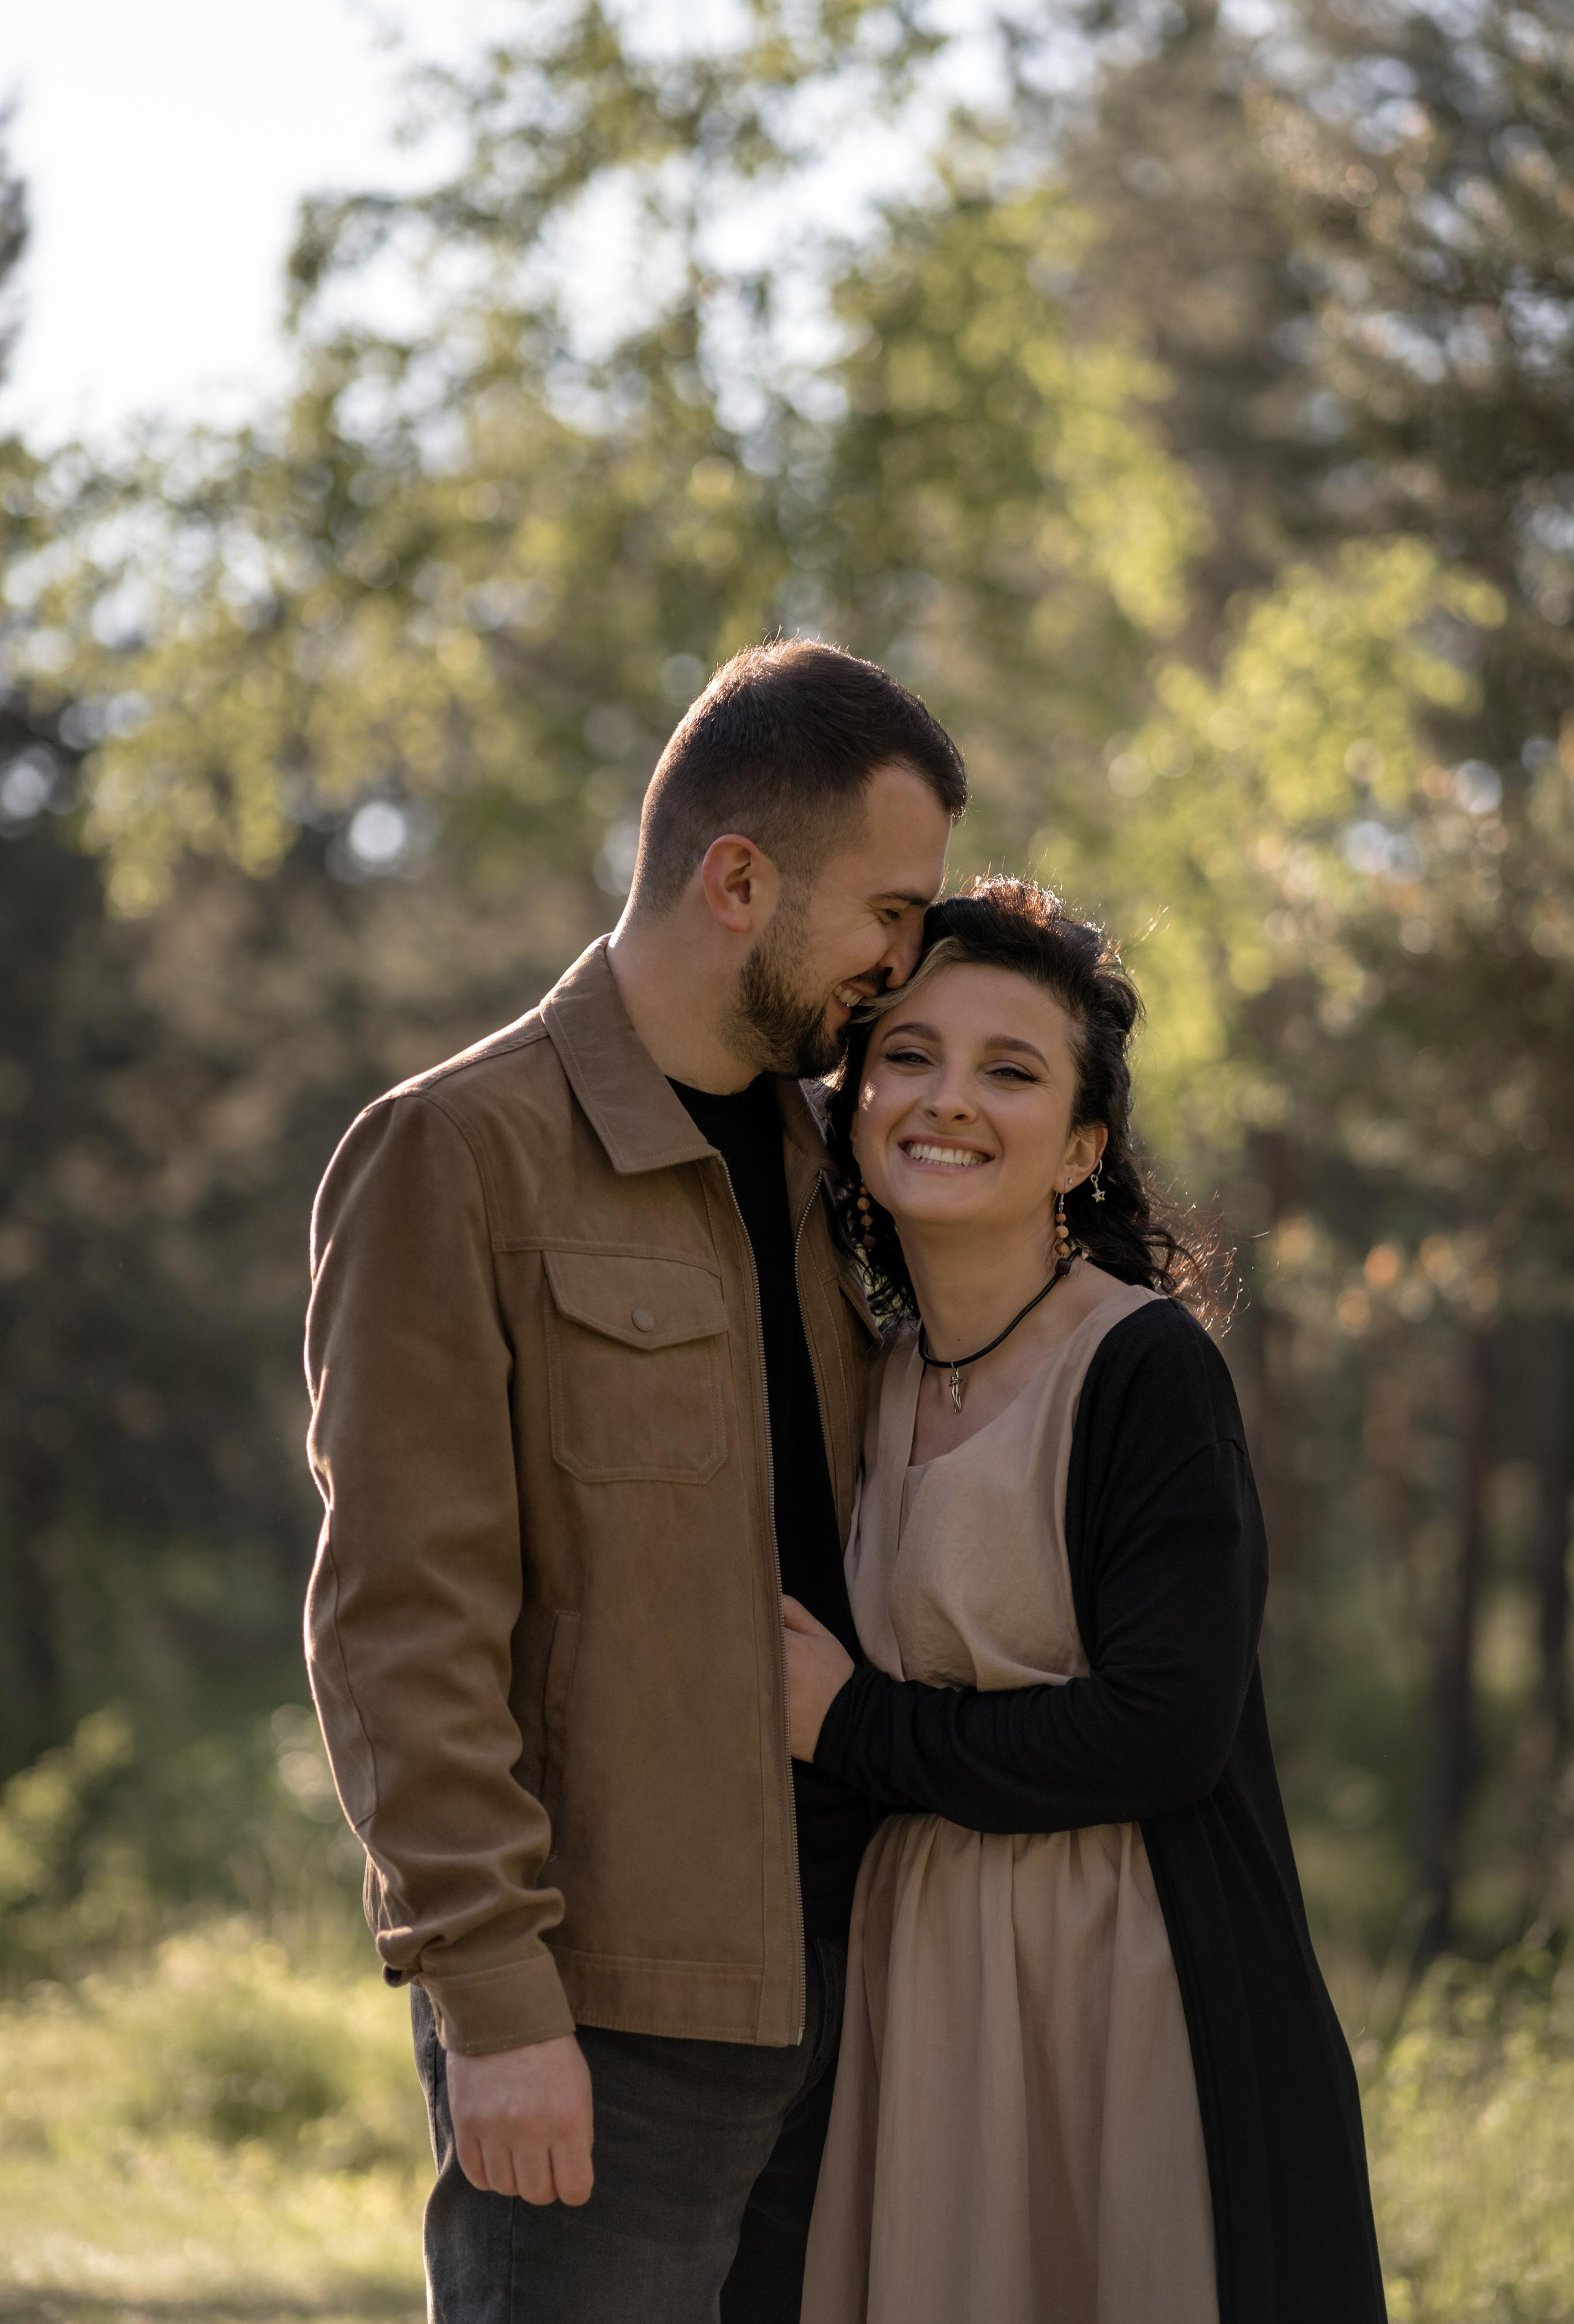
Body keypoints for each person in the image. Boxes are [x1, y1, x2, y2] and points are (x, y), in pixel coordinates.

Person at [303, 639, 965, 2322]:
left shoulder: (841, 1166)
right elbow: (403, 1620)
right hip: (612, 2017)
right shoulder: (460, 1153)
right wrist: (496, 2001)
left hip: (864, 1985)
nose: (907, 963)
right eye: (888, 914)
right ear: (739, 879)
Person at [781, 876, 1388, 2324]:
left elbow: (1160, 1732)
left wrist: (854, 1726)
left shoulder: (1143, 1370)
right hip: (915, 1981)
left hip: (1119, 1985)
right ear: (854, 1103)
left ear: (1081, 1146)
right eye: (908, 1055)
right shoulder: (858, 1380)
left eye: (1011, 1070)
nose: (946, 1100)